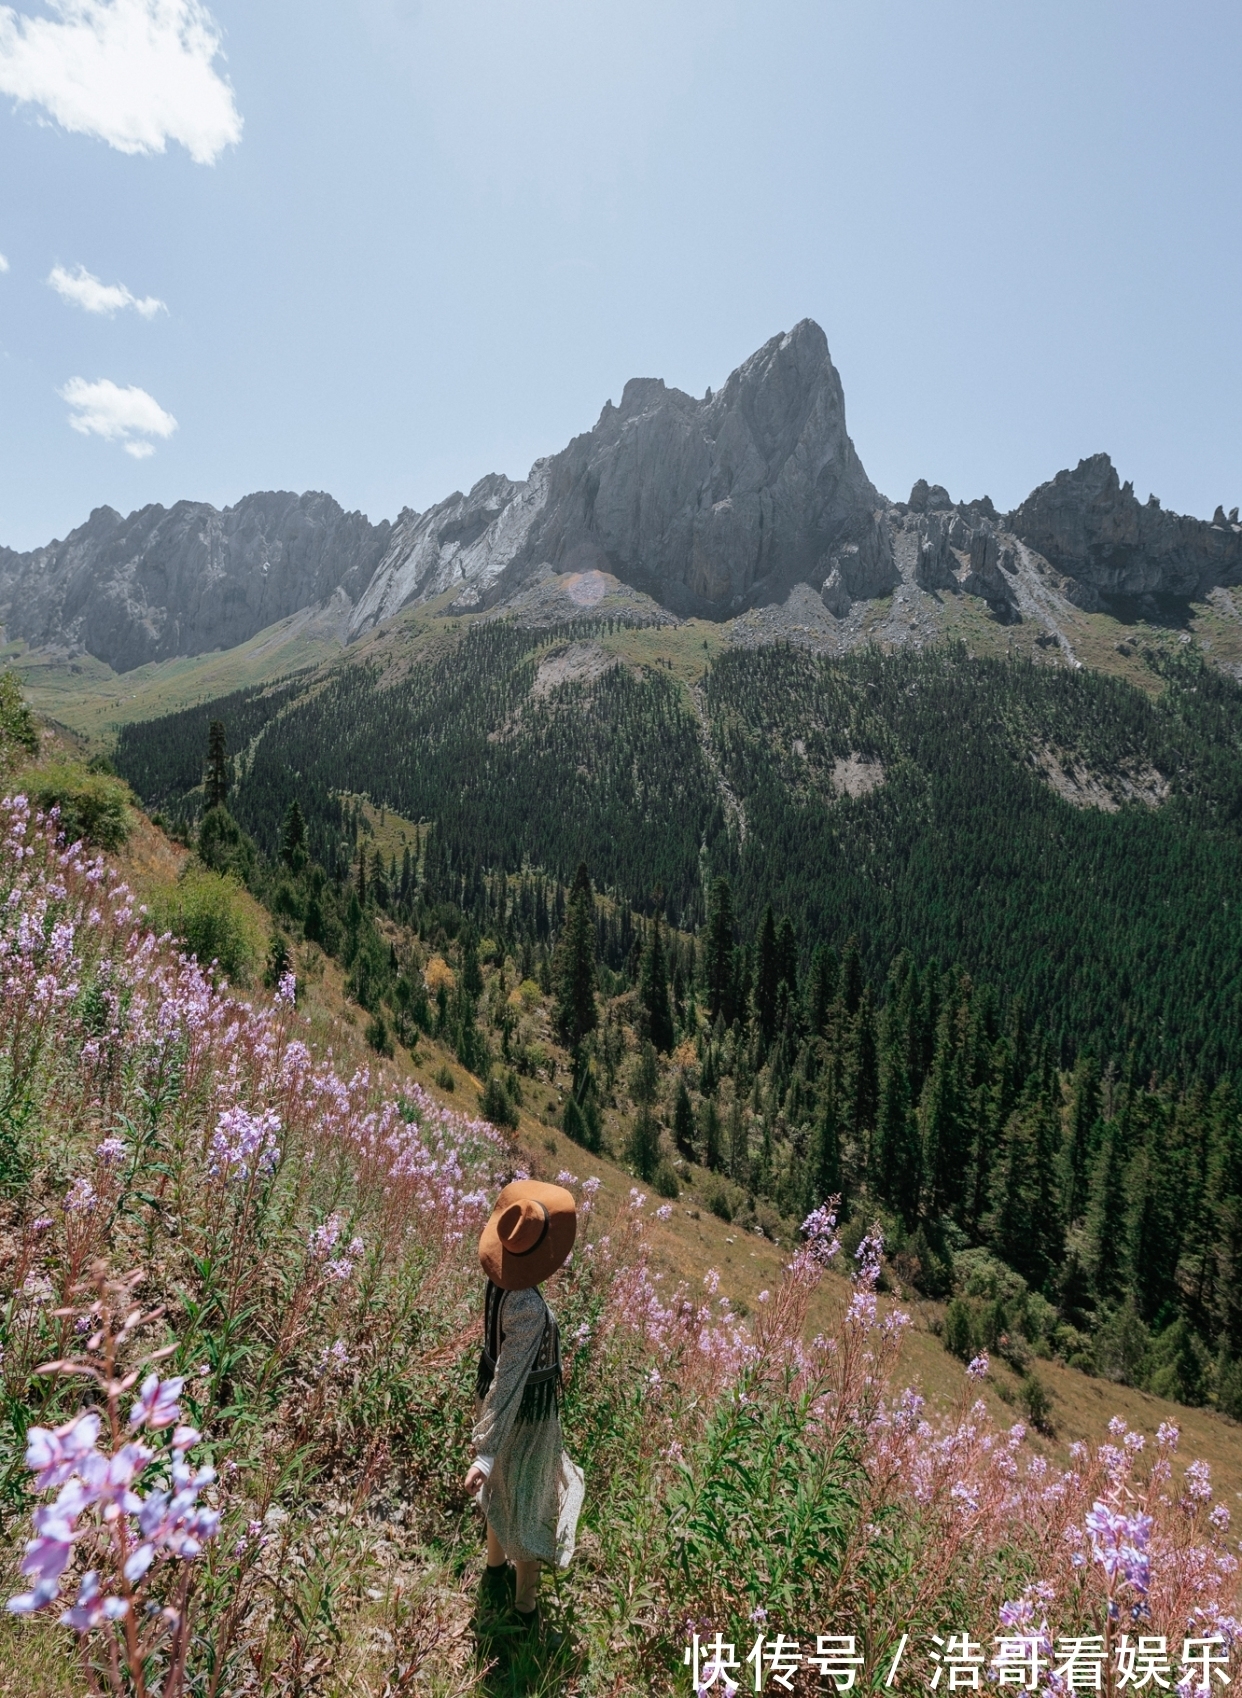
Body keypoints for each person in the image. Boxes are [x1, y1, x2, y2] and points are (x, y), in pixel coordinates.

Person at [463, 1180, 585, 1631]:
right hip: (524, 1415)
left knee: (499, 1489)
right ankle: (526, 1613)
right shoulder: (529, 1306)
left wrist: (487, 1454)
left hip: (492, 1394)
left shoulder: (498, 1281)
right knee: (532, 1504)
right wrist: (485, 1450)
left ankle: (495, 1571)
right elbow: (513, 1379)